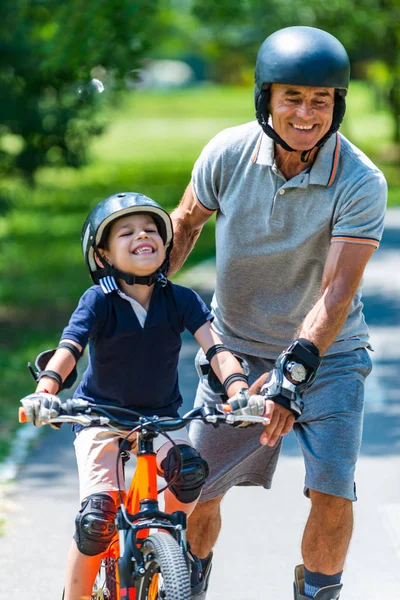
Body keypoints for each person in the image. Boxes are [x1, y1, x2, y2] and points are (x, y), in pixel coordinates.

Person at [170, 26, 387, 600]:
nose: (307, 113)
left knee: (333, 491)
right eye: (292, 97)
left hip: (330, 355)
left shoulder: (361, 181)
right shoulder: (228, 152)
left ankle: (317, 592)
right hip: (234, 354)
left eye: (322, 100)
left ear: (337, 106)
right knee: (196, 491)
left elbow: (338, 290)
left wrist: (295, 371)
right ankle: (184, 584)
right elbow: (186, 221)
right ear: (265, 98)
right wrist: (141, 291)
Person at [22, 192, 267, 600]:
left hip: (159, 419)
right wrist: (45, 391)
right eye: (127, 232)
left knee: (190, 473)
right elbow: (70, 349)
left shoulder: (180, 299)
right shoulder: (98, 301)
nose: (143, 236)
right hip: (99, 419)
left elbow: (217, 349)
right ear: (101, 254)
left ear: (166, 243)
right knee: (96, 521)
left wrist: (239, 391)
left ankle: (162, 542)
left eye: (152, 229)